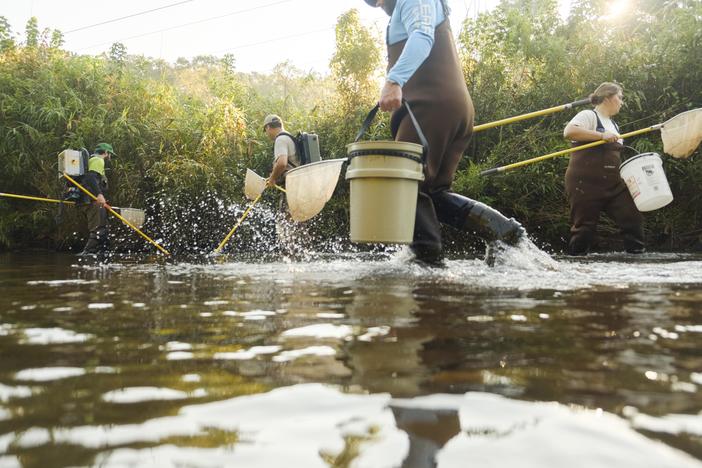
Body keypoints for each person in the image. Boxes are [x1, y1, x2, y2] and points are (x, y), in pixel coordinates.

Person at [364, 0, 525, 265]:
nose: (379, 6)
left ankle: (428, 268)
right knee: (433, 191)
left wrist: (394, 80)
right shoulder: (399, 12)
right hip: (441, 109)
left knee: (405, 183)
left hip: (433, 106)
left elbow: (423, 35)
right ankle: (502, 232)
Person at [563, 82, 644, 255]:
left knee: (633, 220)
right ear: (607, 97)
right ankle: (575, 265)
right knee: (584, 229)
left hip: (613, 185)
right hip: (584, 184)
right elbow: (569, 131)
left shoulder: (615, 126)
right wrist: (601, 135)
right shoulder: (589, 115)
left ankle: (638, 261)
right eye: (620, 97)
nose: (622, 102)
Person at [78, 142, 115, 255]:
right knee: (99, 230)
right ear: (106, 152)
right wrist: (99, 194)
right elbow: (91, 177)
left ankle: (102, 254)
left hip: (90, 201)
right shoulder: (98, 160)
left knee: (104, 230)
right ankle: (86, 255)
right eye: (110, 154)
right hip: (93, 201)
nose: (110, 157)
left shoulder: (92, 160)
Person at [263, 114, 301, 189]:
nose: (267, 134)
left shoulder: (280, 139)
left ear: (268, 127)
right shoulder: (288, 136)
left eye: (265, 130)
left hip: (294, 184)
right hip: (299, 180)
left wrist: (272, 179)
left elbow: (282, 164)